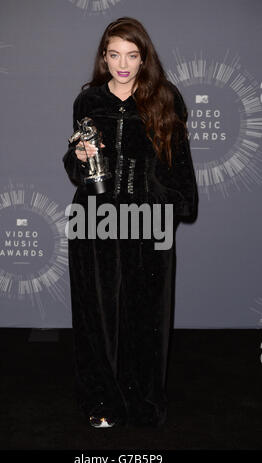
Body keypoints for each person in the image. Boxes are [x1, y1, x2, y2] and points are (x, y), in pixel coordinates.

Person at [62, 17, 198, 428]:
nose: (123, 64)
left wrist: (168, 206)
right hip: (95, 220)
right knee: (96, 316)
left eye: (132, 55)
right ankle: (102, 402)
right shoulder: (88, 102)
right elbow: (74, 165)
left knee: (147, 316)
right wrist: (79, 158)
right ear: (104, 57)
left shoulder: (164, 98)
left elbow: (180, 167)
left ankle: (143, 403)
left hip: (147, 221)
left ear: (144, 57)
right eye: (115, 54)